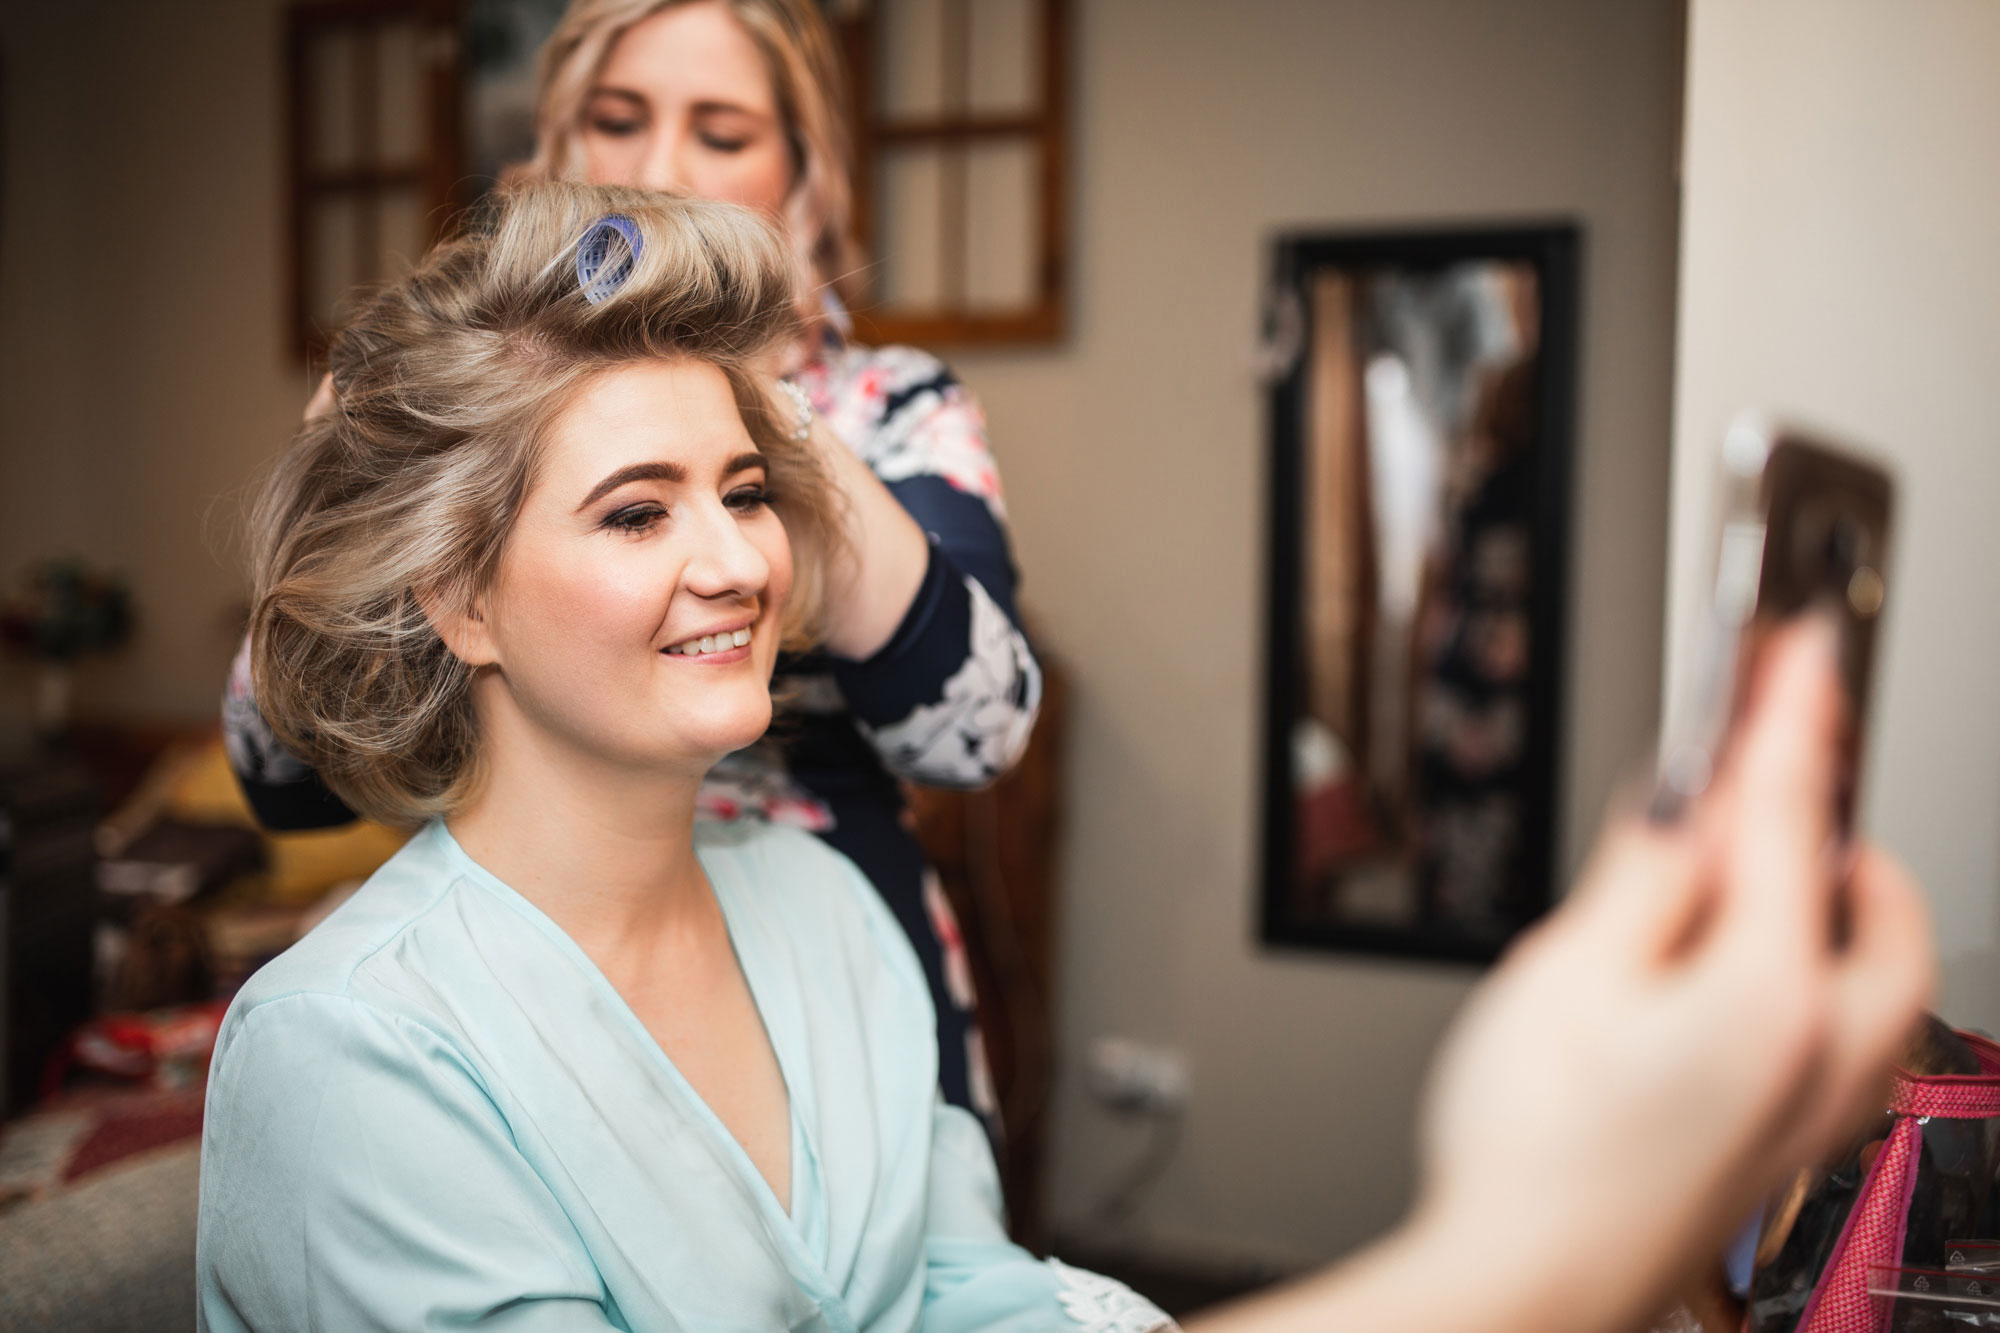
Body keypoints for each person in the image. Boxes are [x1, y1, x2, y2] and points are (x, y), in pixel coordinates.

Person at [200, 178, 1933, 1333]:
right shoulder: (353, 1057)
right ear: (461, 598)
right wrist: (1527, 1252)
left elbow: (982, 1294)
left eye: (743, 492)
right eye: (636, 509)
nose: (732, 560)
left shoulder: (820, 907)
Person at [222, 0, 1034, 1132]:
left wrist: (744, 401)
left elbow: (977, 727)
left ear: (805, 173)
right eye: (618, 120)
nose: (661, 167)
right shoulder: (472, 403)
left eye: (722, 131)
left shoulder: (894, 408)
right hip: (530, 948)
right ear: (554, 146)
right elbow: (277, 771)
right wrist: (373, 454)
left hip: (837, 952)